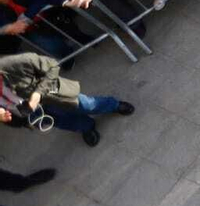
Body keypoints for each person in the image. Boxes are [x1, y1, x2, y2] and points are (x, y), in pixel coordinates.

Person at [0, 51, 134, 146]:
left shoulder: (11, 63)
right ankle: (86, 127)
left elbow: (52, 66)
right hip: (28, 111)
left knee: (87, 105)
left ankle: (113, 105)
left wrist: (38, 94)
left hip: (50, 94)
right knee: (62, 121)